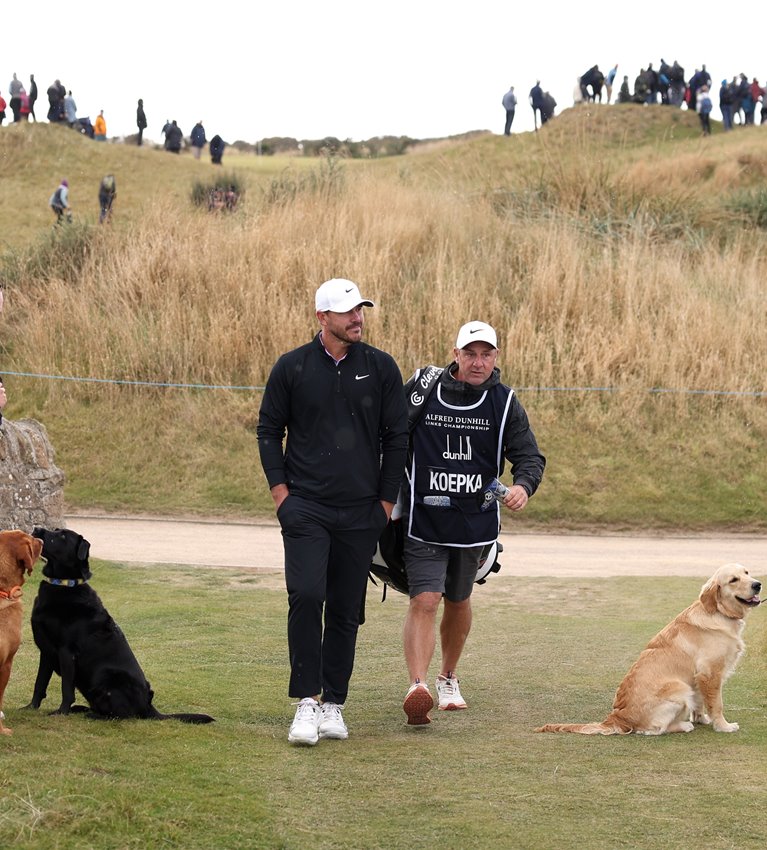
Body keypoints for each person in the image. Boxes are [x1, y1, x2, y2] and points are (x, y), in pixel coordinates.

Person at [257, 278, 408, 746]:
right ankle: (306, 702)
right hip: (306, 508)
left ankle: (333, 704)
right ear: (322, 318)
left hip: (362, 512)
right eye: (347, 312)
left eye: (360, 310)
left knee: (346, 609)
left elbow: (397, 437)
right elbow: (268, 431)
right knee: (305, 595)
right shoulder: (293, 366)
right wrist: (283, 495)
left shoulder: (381, 367)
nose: (357, 318)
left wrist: (384, 504)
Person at [400, 321, 545, 726]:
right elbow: (390, 435)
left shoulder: (505, 403)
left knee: (458, 600)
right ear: (456, 354)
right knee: (425, 599)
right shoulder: (423, 391)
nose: (478, 362)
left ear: (496, 357)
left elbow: (529, 456)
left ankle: (448, 677)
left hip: (475, 523)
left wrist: (524, 486)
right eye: (470, 353)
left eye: (486, 354)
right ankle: (418, 686)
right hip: (423, 518)